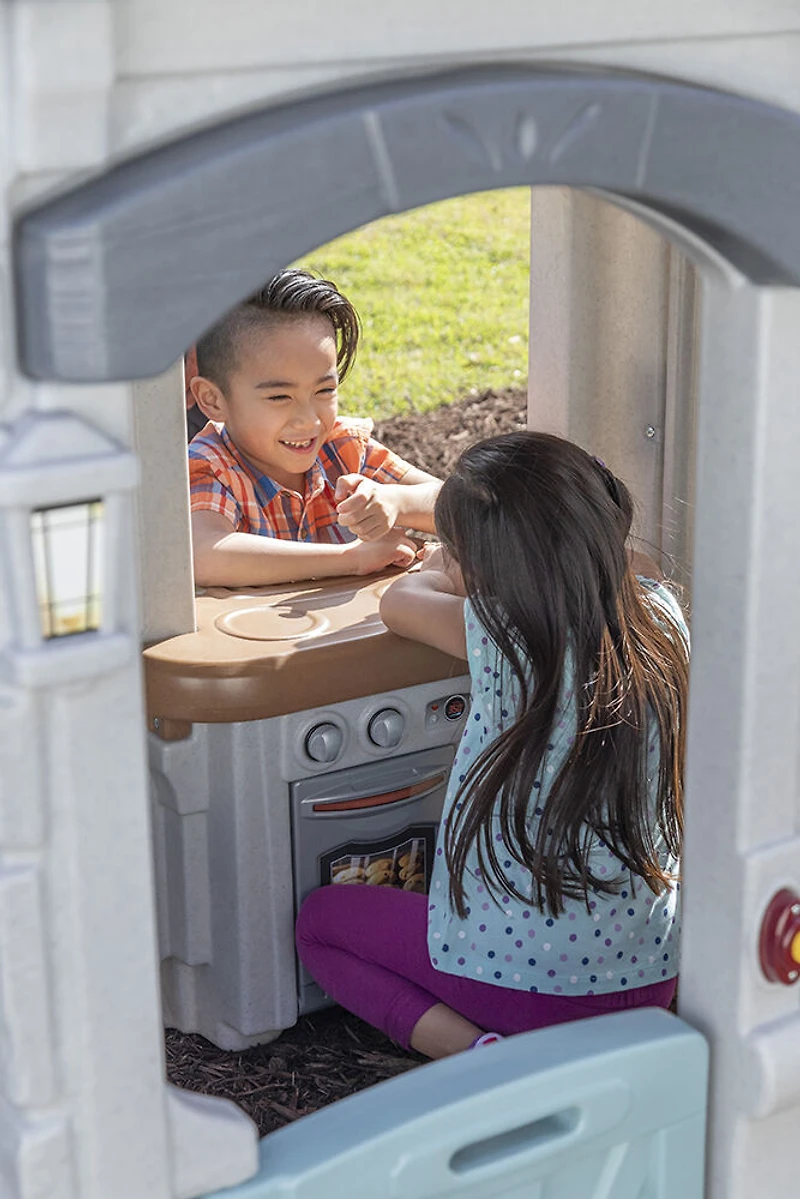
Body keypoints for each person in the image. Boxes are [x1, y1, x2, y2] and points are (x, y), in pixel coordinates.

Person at [296, 432, 690, 1059]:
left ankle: (488, 1056)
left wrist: (436, 562)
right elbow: (635, 566)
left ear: (484, 568)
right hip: (650, 977)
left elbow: (402, 602)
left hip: (524, 989)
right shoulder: (663, 618)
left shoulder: (506, 638)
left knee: (320, 924)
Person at [187, 269, 441, 587]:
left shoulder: (344, 448)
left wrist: (397, 502)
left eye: (324, 391)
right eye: (279, 397)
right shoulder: (209, 465)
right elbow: (202, 554)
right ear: (212, 400)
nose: (310, 420)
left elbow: (471, 508)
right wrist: (352, 558)